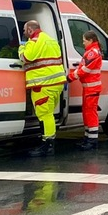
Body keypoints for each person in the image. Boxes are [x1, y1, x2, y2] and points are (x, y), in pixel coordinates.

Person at [19, 20, 66, 157]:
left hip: (43, 84)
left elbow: (26, 57)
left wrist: (21, 47)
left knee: (45, 115)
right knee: (48, 114)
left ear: (30, 30)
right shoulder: (50, 39)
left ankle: (47, 145)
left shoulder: (34, 41)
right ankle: (48, 142)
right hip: (56, 83)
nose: (23, 33)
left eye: (24, 30)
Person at [69, 30, 103, 151]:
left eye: (84, 41)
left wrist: (70, 77)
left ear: (90, 40)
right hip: (88, 87)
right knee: (87, 112)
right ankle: (88, 137)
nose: (83, 43)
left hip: (92, 88)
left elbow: (85, 70)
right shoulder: (91, 51)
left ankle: (92, 140)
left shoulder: (93, 53)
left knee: (90, 113)